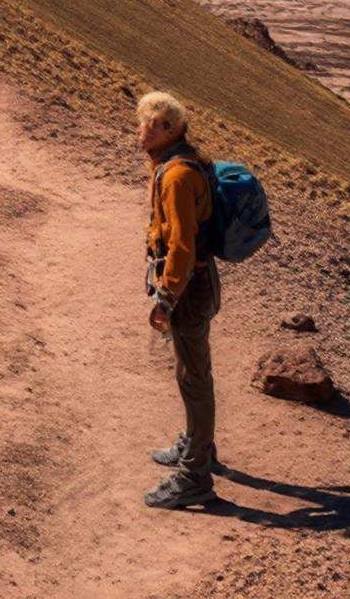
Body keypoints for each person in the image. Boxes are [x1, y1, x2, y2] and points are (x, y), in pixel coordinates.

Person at [138, 90, 221, 509]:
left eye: (150, 126)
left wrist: (166, 297)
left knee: (193, 377)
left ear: (169, 130)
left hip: (187, 288)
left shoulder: (176, 177)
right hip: (193, 283)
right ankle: (198, 444)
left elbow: (183, 248)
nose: (141, 132)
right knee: (191, 372)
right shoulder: (178, 165)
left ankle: (195, 476)